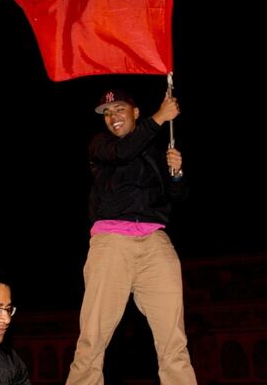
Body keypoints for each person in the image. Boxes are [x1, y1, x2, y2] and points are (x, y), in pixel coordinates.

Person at [66, 88, 197, 385]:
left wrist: (176, 173)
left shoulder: (154, 149)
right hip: (111, 242)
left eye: (120, 109)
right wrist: (160, 117)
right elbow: (124, 151)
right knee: (93, 337)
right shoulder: (101, 146)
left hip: (155, 243)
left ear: (135, 112)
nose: (113, 117)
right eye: (108, 113)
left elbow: (177, 196)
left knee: (174, 338)